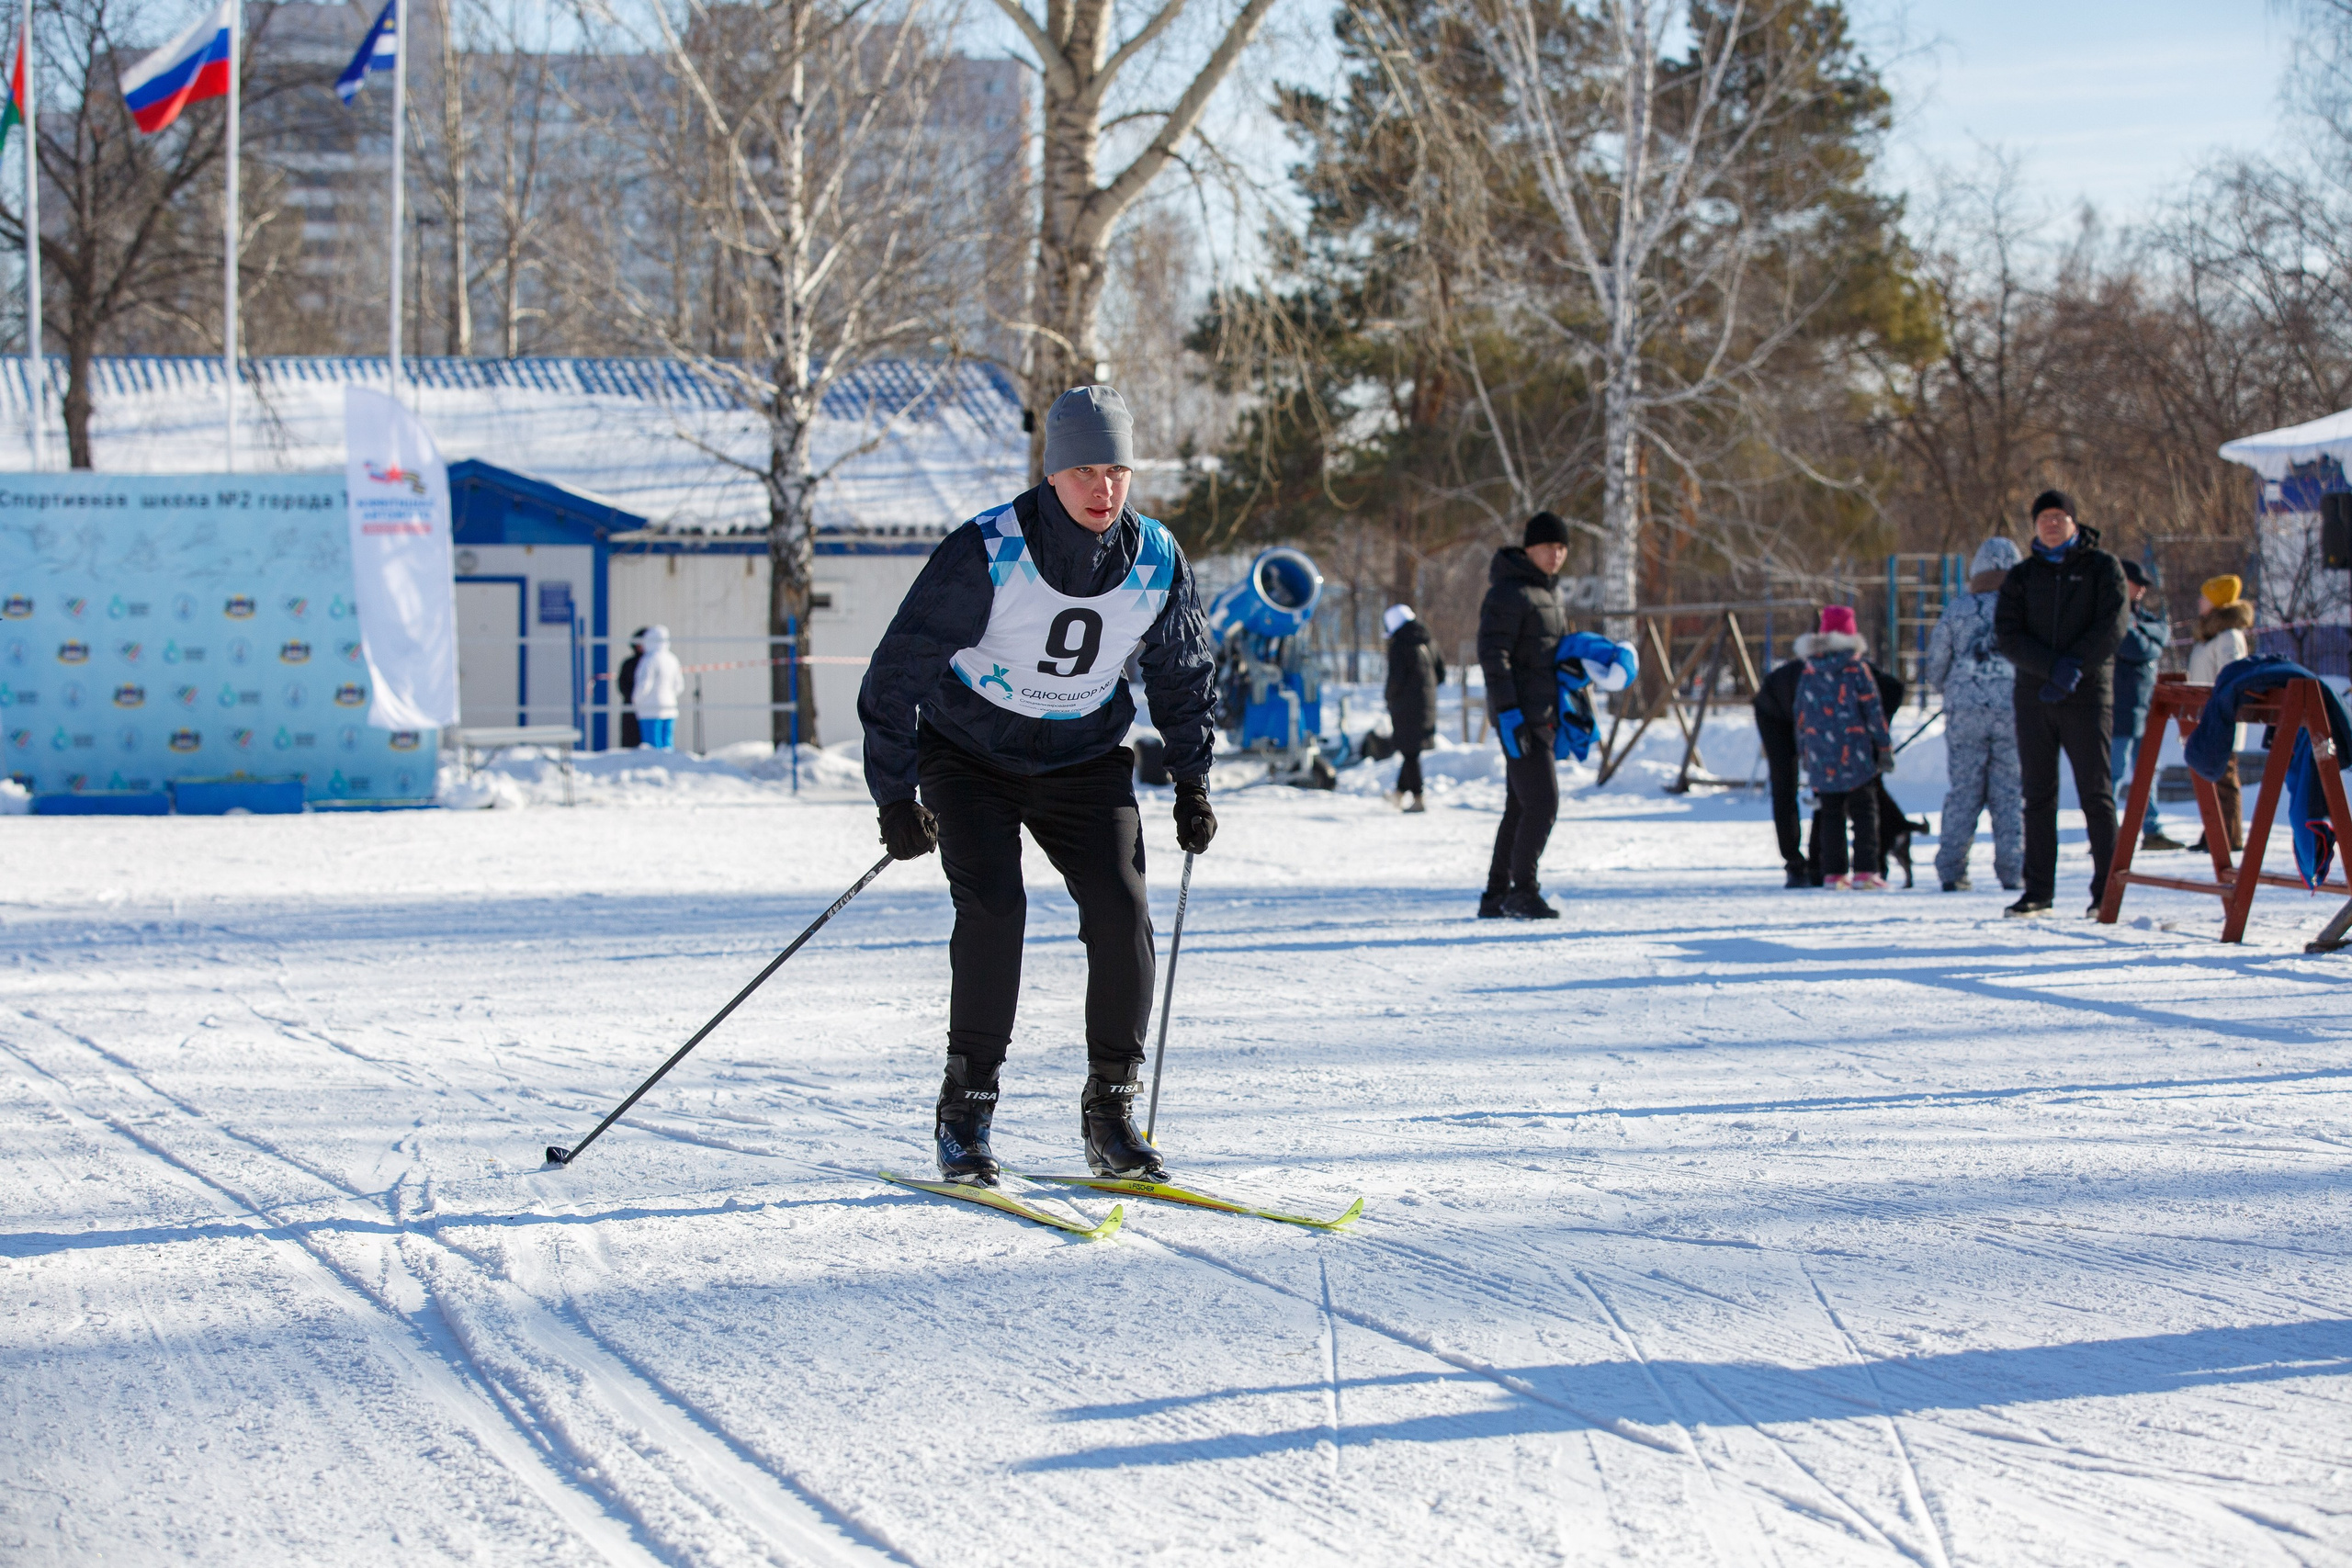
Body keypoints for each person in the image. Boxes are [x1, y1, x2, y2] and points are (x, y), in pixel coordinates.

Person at [856, 385, 1218, 1187]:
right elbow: (896, 671)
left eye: (1117, 470)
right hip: (969, 753)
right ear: (1053, 473)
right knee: (995, 908)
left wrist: (1192, 779)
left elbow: (1183, 670)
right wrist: (894, 796)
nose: (1103, 489)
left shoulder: (1156, 556)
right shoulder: (990, 550)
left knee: (1122, 909)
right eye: (1085, 470)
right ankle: (966, 1113)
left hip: (1084, 759)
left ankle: (1111, 1113)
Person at [1994, 490, 2130, 918]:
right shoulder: (2021, 576)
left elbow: (2113, 626)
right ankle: (2038, 892)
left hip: (2088, 694)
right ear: (2034, 526)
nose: (2051, 524)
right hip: (2035, 696)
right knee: (2037, 796)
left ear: (2074, 521)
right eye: (2043, 518)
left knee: (2096, 793)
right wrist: (2052, 668)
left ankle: (2105, 892)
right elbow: (2008, 635)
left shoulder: (2102, 568)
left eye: (2059, 516)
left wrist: (2075, 667)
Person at [1477, 512, 1574, 919]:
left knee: (1520, 805)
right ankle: (1523, 890)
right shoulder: (1508, 593)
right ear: (1529, 547)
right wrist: (1509, 712)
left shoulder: (1549, 594)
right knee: (1543, 803)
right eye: (1548, 547)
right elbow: (1492, 655)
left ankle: (1496, 894)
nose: (1556, 555)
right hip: (1520, 716)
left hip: (1544, 713)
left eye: (1561, 548)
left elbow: (1553, 652)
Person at [1922, 536, 2024, 893]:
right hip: (2014, 709)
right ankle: (2014, 869)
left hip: (1965, 712)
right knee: (2010, 791)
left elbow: (1936, 663)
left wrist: (1950, 689)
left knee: (1964, 788)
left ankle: (1951, 868)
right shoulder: (2024, 608)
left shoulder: (1958, 609)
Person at [1757, 641, 1905, 886]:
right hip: (1774, 711)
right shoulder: (1842, 674)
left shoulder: (1856, 676)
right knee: (1787, 785)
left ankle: (1820, 867)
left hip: (1810, 721)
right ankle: (1795, 864)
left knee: (1828, 788)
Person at [1794, 605, 1894, 888]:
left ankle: (1834, 873)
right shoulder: (1856, 669)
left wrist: (1804, 751)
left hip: (1821, 753)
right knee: (1864, 810)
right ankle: (1866, 870)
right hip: (1856, 752)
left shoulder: (1810, 670)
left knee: (1830, 813)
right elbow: (1873, 709)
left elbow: (1800, 713)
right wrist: (1884, 747)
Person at [2112, 560, 2182, 852]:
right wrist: (2147, 640)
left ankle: (2151, 830)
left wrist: (2144, 636)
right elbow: (2137, 647)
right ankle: (2105, 831)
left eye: (2143, 585)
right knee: (2113, 772)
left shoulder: (2142, 616)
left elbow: (2161, 634)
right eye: (2135, 583)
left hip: (2145, 705)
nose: (2141, 590)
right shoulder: (2110, 613)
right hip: (2118, 707)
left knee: (2146, 770)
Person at [2186, 574, 2254, 853]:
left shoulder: (2228, 636)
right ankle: (2213, 834)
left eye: (2205, 597)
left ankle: (2229, 837)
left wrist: (2222, 709)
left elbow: (2232, 675)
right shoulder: (2211, 635)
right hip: (2206, 717)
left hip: (2222, 717)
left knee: (2224, 779)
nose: (2200, 601)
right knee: (2210, 778)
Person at [1382, 603, 1445, 813]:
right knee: (1412, 750)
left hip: (1406, 707)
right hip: (1427, 704)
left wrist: (1389, 697)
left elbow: (1396, 679)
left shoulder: (1401, 644)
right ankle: (1399, 794)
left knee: (1410, 752)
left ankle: (1418, 798)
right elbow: (1441, 674)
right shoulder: (1429, 641)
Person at [631, 625, 684, 750]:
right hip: (670, 707)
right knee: (667, 745)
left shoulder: (648, 660)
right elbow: (679, 686)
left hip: (650, 709)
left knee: (652, 748)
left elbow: (644, 686)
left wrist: (636, 701)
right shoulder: (672, 659)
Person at [616, 626, 648, 750]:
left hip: (648, 707)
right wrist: (633, 698)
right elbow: (622, 684)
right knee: (630, 739)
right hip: (631, 706)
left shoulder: (651, 662)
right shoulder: (629, 663)